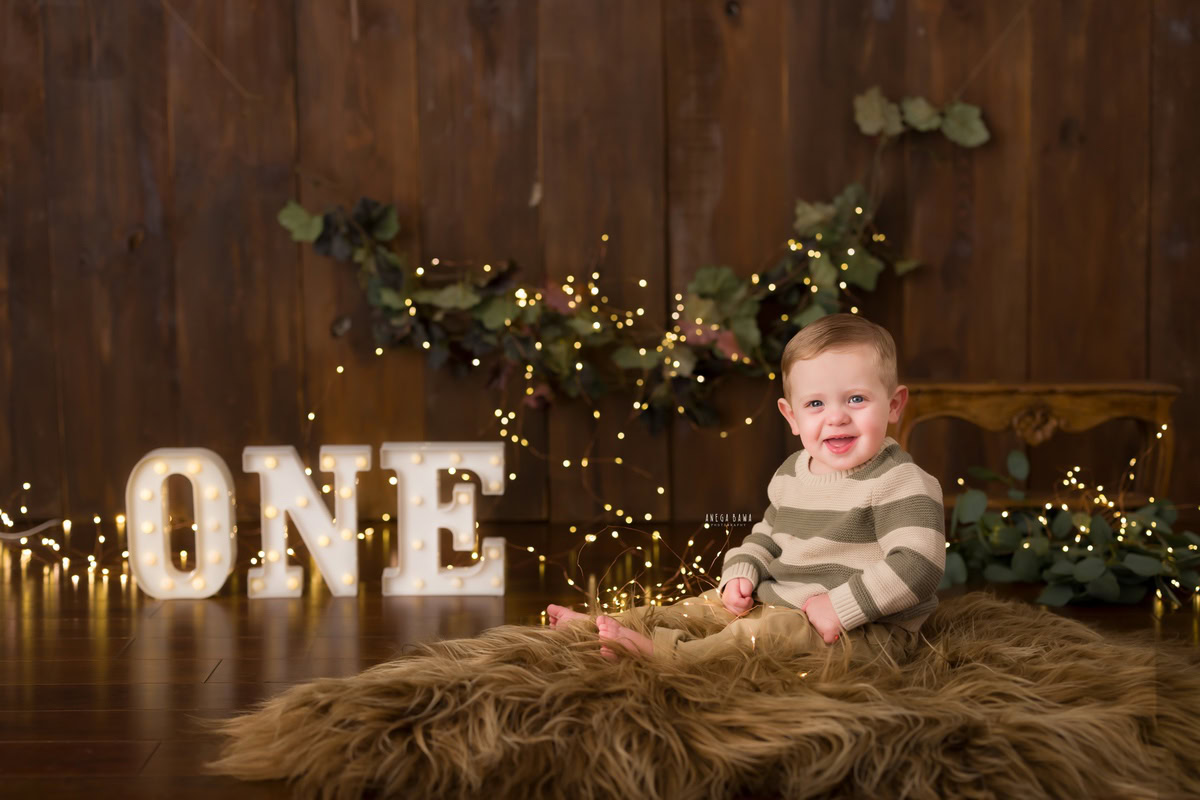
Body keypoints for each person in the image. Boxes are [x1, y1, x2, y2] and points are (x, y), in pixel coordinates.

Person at [547, 313, 945, 666]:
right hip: (783, 601)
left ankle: (670, 657)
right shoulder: (793, 473)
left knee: (765, 637)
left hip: (865, 631)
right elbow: (768, 534)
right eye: (816, 404)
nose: (837, 417)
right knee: (699, 608)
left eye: (856, 399)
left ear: (894, 405)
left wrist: (841, 608)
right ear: (791, 416)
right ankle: (606, 626)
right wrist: (745, 569)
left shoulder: (899, 480)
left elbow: (919, 564)